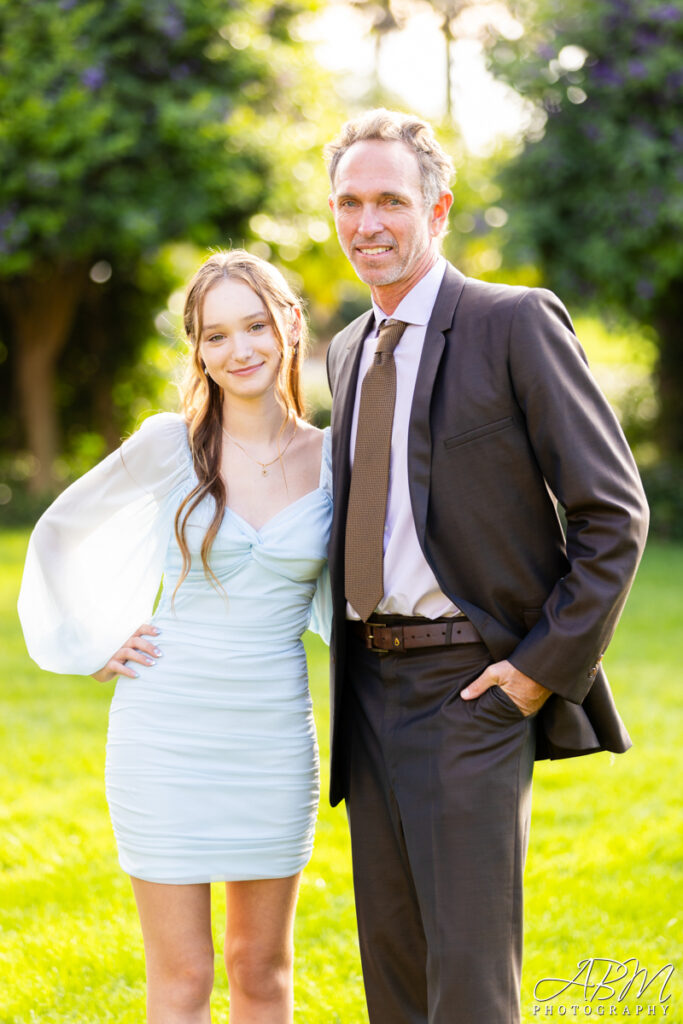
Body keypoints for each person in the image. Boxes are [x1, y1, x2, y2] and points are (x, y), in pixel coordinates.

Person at [323, 109, 649, 1024]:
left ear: (438, 208)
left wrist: (535, 675)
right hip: (368, 691)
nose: (367, 224)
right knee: (392, 969)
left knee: (467, 981)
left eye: (390, 199)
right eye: (348, 201)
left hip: (472, 689)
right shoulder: (349, 350)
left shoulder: (511, 323)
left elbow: (611, 514)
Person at [18, 250, 332, 1024]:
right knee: (184, 977)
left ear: (289, 325)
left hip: (271, 734)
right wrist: (90, 640)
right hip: (165, 734)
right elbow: (59, 532)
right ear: (197, 349)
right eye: (216, 335)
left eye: (255, 325)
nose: (240, 350)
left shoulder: (334, 458)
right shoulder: (169, 443)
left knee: (262, 970)